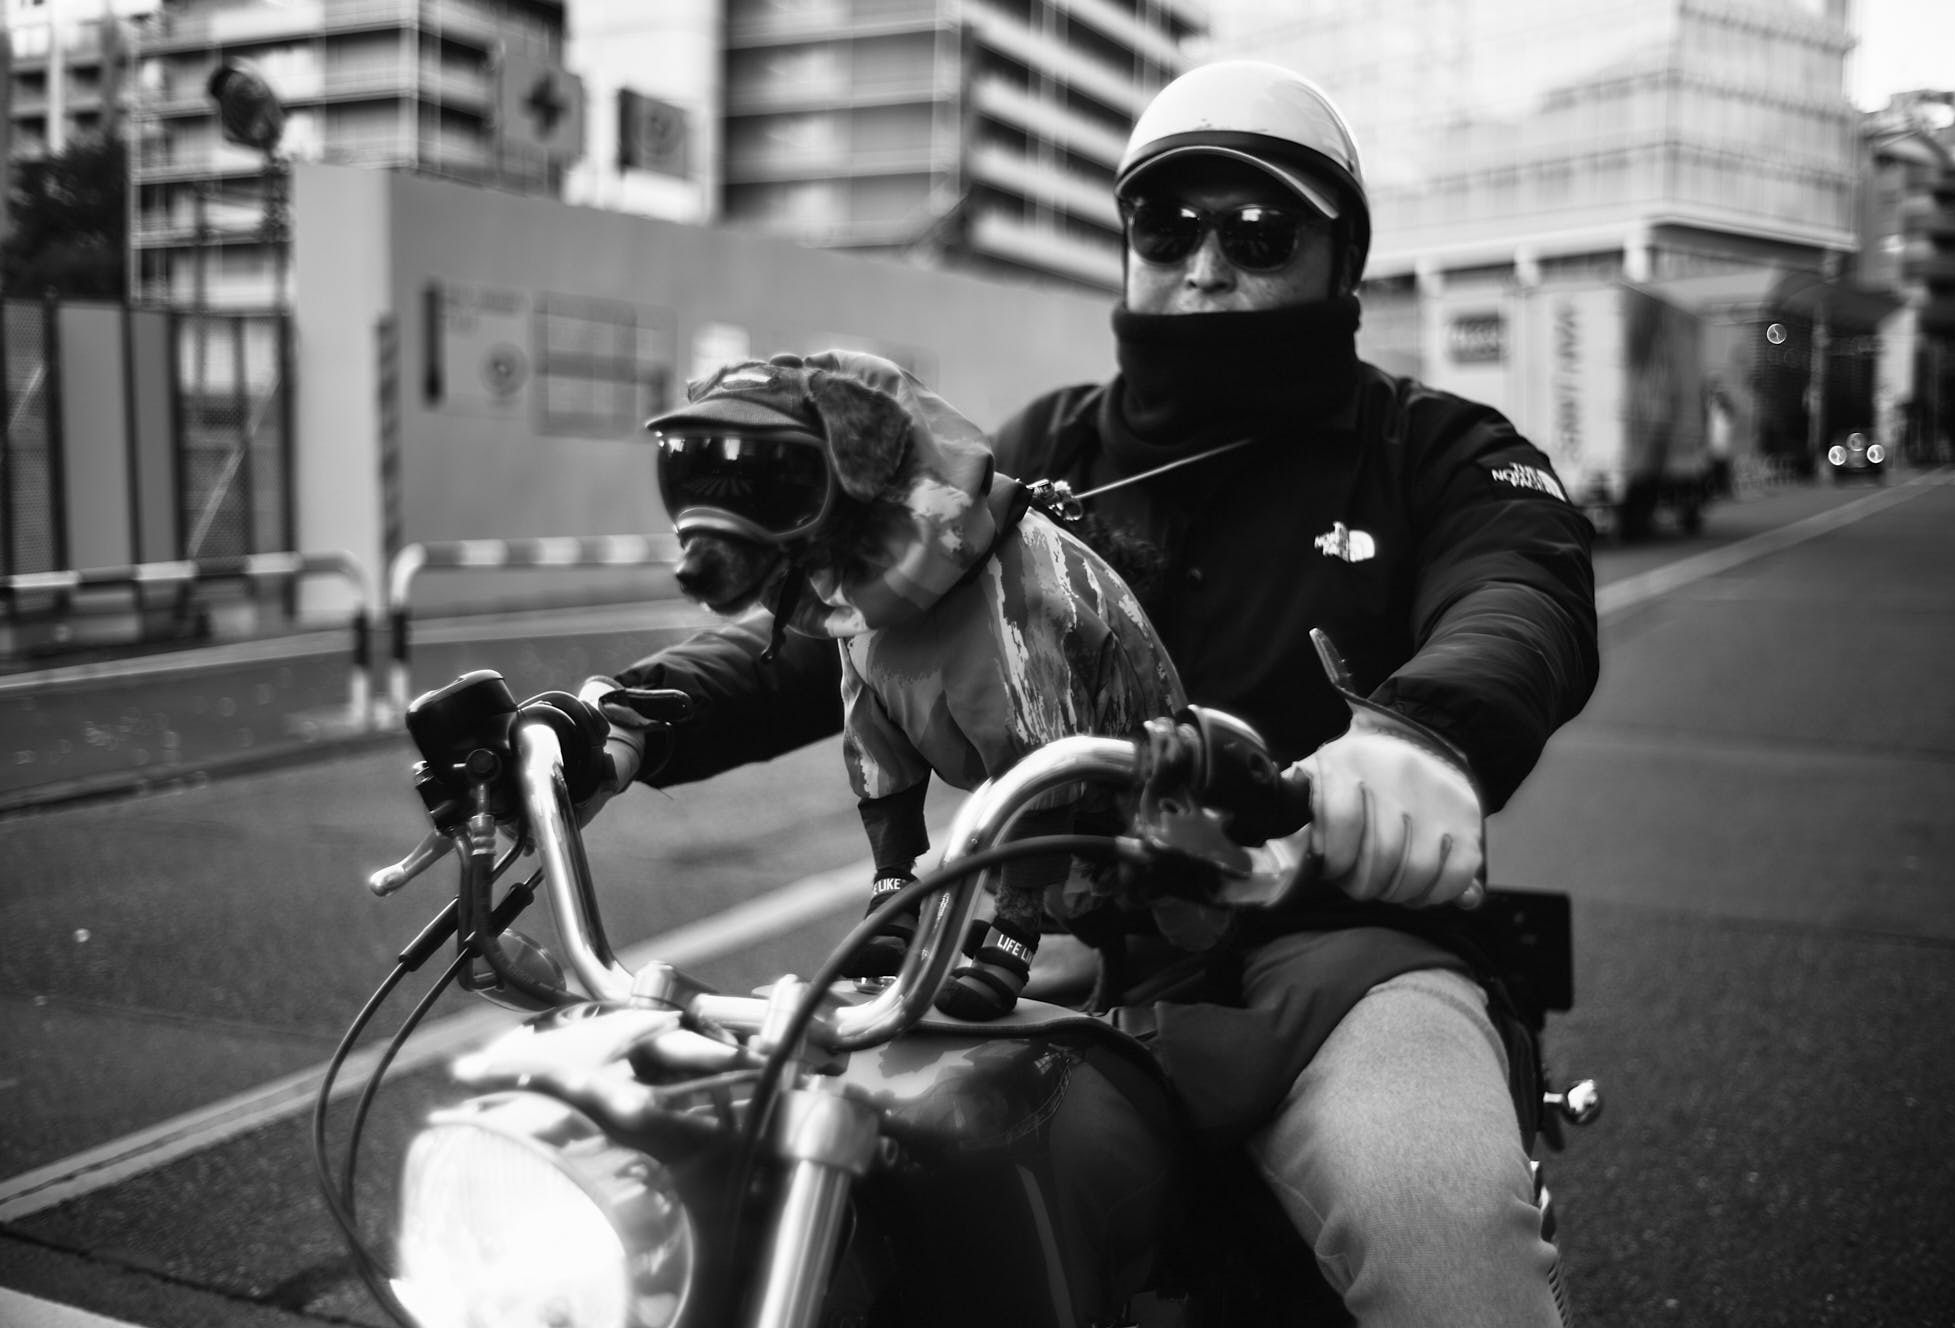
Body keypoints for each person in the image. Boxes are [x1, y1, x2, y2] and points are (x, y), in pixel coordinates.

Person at [590, 58, 1598, 1328]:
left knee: (1440, 1226)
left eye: (1259, 231)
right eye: (1165, 226)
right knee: (824, 1187)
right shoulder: (1043, 446)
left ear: (1341, 261)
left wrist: (1418, 733)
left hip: (1339, 957)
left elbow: (1522, 589)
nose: (1204, 263)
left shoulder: (1434, 447)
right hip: (1055, 956)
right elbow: (832, 627)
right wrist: (620, 720)